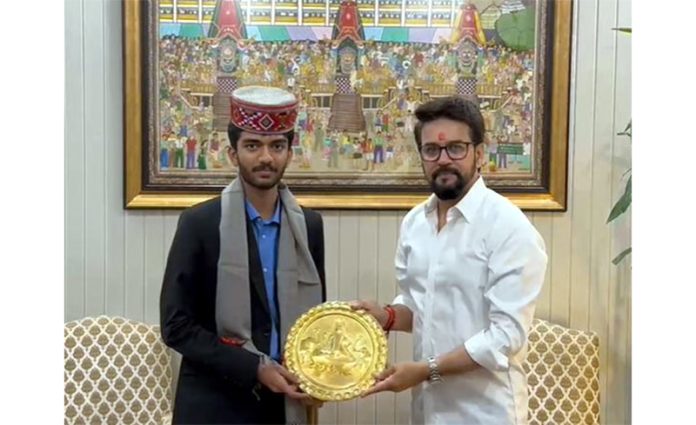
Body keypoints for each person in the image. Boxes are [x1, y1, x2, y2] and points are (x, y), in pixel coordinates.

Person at [353, 95, 547, 425]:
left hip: (485, 413)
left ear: (480, 153)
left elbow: (505, 337)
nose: (443, 159)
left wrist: (426, 370)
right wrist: (386, 316)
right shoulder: (415, 223)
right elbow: (420, 307)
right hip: (427, 411)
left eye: (456, 148)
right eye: (432, 150)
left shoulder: (509, 227)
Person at [160, 85, 326, 425]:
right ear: (233, 153)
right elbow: (176, 326)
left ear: (289, 153)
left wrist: (321, 374)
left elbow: (316, 320)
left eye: (277, 146)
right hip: (214, 403)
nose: (266, 157)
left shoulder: (309, 226)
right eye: (253, 145)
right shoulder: (200, 224)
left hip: (284, 402)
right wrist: (254, 367)